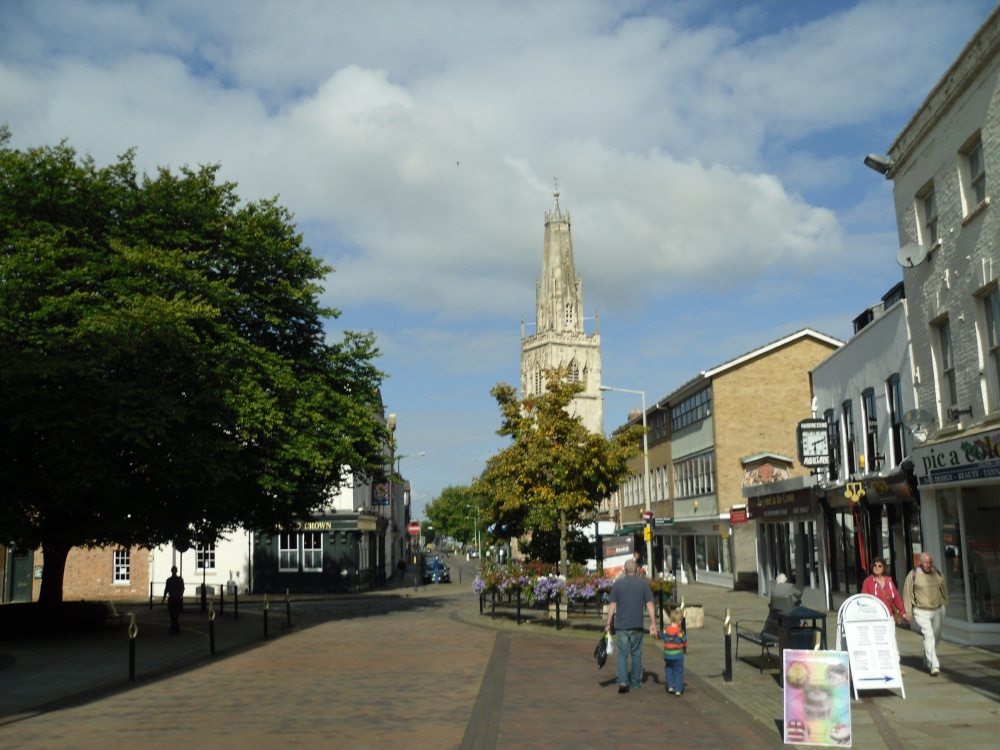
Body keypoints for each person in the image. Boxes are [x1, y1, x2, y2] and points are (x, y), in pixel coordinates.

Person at [604, 558, 658, 693]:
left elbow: (612, 605)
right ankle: (636, 682)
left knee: (622, 654)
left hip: (621, 625)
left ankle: (623, 680)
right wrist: (653, 623)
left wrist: (608, 623)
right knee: (636, 654)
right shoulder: (643, 584)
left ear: (624, 570)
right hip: (637, 624)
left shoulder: (618, 584)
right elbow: (650, 604)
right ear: (637, 570)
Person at [902, 552, 948, 676]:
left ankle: (926, 658)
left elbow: (943, 588)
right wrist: (908, 612)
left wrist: (944, 602)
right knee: (929, 636)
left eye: (930, 563)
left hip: (937, 609)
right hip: (921, 610)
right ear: (920, 562)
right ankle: (934, 664)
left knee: (936, 636)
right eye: (926, 563)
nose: (929, 565)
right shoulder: (913, 575)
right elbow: (907, 593)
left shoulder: (937, 573)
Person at [661, 608, 687, 695]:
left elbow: (659, 635)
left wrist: (655, 634)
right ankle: (678, 689)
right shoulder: (680, 632)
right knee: (678, 671)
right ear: (680, 622)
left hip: (667, 655)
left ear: (670, 620)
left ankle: (670, 686)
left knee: (669, 669)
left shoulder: (666, 630)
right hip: (678, 656)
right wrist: (684, 646)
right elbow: (685, 641)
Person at [162, 565, 185, 635]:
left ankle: (173, 628)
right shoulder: (180, 580)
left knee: (173, 615)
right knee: (175, 615)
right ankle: (176, 628)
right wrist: (181, 596)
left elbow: (166, 590)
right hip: (177, 599)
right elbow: (182, 589)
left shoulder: (169, 580)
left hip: (172, 599)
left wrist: (163, 600)